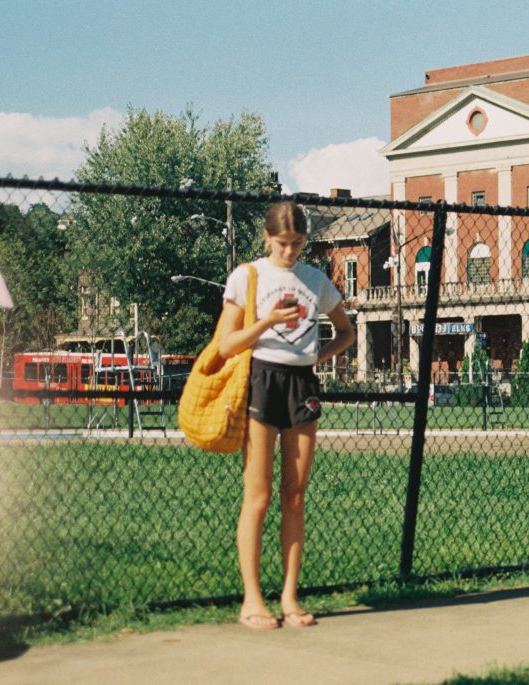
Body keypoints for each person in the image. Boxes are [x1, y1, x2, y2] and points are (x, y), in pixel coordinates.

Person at [216, 200, 355, 630]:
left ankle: (290, 597)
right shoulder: (248, 276)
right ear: (267, 238)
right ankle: (252, 600)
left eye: (297, 244)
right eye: (282, 244)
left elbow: (346, 330)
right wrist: (268, 320)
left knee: (295, 495)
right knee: (258, 497)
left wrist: (319, 355)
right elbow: (226, 344)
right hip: (261, 379)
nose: (290, 252)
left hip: (302, 384)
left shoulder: (315, 280)